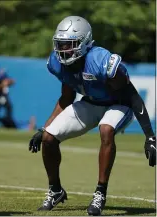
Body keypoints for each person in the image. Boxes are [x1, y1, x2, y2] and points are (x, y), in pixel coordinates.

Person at [28, 16, 156, 216]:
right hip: (91, 104)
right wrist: (45, 128)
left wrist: (150, 135)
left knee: (106, 129)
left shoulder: (101, 61)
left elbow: (133, 96)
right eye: (60, 44)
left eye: (69, 45)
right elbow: (66, 97)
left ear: (85, 43)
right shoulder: (58, 63)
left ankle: (100, 193)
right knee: (48, 138)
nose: (63, 50)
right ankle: (55, 190)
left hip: (119, 105)